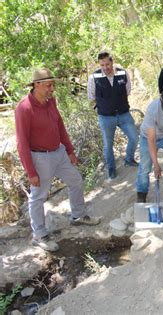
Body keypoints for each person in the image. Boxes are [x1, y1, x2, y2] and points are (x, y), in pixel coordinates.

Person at [15, 69, 100, 252]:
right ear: (36, 85)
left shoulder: (50, 101)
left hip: (59, 153)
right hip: (40, 157)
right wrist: (31, 172)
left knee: (76, 180)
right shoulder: (24, 108)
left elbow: (60, 126)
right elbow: (21, 143)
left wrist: (69, 150)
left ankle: (78, 216)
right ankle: (39, 235)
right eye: (48, 85)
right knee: (38, 197)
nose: (52, 88)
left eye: (52, 84)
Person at [87, 51, 139, 180]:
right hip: (105, 117)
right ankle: (111, 170)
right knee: (107, 145)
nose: (105, 67)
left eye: (107, 64)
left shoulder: (122, 72)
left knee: (134, 137)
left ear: (112, 62)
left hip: (123, 114)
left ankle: (129, 159)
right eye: (102, 65)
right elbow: (91, 96)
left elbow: (127, 91)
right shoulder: (94, 77)